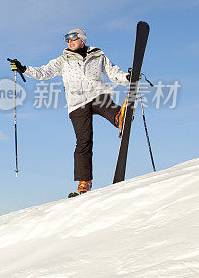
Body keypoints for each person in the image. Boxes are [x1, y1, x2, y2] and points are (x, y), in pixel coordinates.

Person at [9, 28, 130, 196]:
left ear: (82, 39)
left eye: (73, 38)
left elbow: (112, 72)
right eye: (67, 40)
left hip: (96, 94)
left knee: (103, 100)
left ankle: (119, 117)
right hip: (76, 103)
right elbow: (44, 72)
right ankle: (84, 182)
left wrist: (127, 78)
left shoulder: (98, 56)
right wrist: (24, 69)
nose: (69, 42)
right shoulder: (62, 60)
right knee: (83, 142)